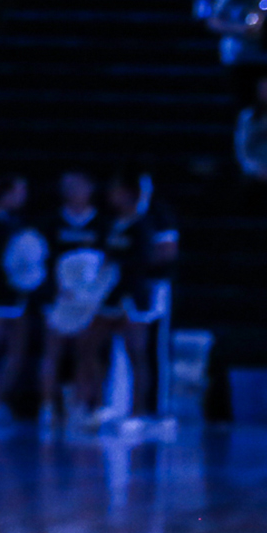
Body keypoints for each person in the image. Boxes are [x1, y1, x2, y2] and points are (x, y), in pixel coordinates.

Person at [37, 170, 114, 431]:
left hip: (88, 302)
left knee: (87, 352)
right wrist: (55, 290)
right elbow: (40, 263)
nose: (74, 192)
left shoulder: (102, 225)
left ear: (90, 189)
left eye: (79, 186)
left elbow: (108, 264)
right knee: (52, 352)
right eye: (68, 187)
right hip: (60, 300)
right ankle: (48, 407)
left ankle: (82, 405)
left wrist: (93, 293)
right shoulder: (51, 224)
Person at [94, 172, 166, 425]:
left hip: (133, 295)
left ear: (128, 193)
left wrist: (118, 266)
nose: (112, 196)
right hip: (111, 294)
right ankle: (100, 405)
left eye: (117, 191)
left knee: (136, 351)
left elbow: (146, 259)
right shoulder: (114, 223)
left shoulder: (143, 223)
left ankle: (139, 411)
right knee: (94, 346)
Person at [0, 176, 43, 430]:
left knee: (16, 353)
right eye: (18, 190)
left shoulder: (19, 223)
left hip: (17, 296)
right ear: (4, 194)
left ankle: (1, 400)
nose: (23, 196)